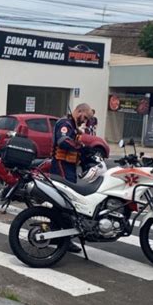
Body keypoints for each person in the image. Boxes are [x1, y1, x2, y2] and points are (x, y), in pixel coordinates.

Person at [51, 103, 92, 254]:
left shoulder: (73, 126)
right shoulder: (65, 123)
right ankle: (65, 239)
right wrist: (79, 146)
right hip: (61, 166)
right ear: (79, 111)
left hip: (69, 167)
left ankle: (57, 235)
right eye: (85, 117)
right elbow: (63, 141)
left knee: (61, 204)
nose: (84, 121)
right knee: (67, 203)